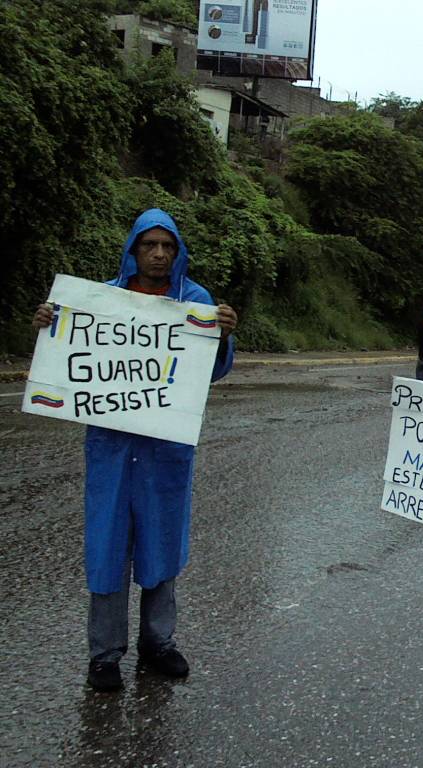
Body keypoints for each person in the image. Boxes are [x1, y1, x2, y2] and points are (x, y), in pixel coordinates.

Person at [31, 208, 237, 692]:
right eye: (150, 245)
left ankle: (158, 643)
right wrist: (47, 326)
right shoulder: (99, 299)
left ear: (178, 251)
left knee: (161, 541)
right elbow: (68, 362)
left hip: (166, 449)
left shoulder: (195, 300)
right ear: (133, 250)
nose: (160, 254)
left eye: (168, 246)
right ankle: (104, 655)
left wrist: (222, 337)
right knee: (107, 545)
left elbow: (210, 373)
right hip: (111, 447)